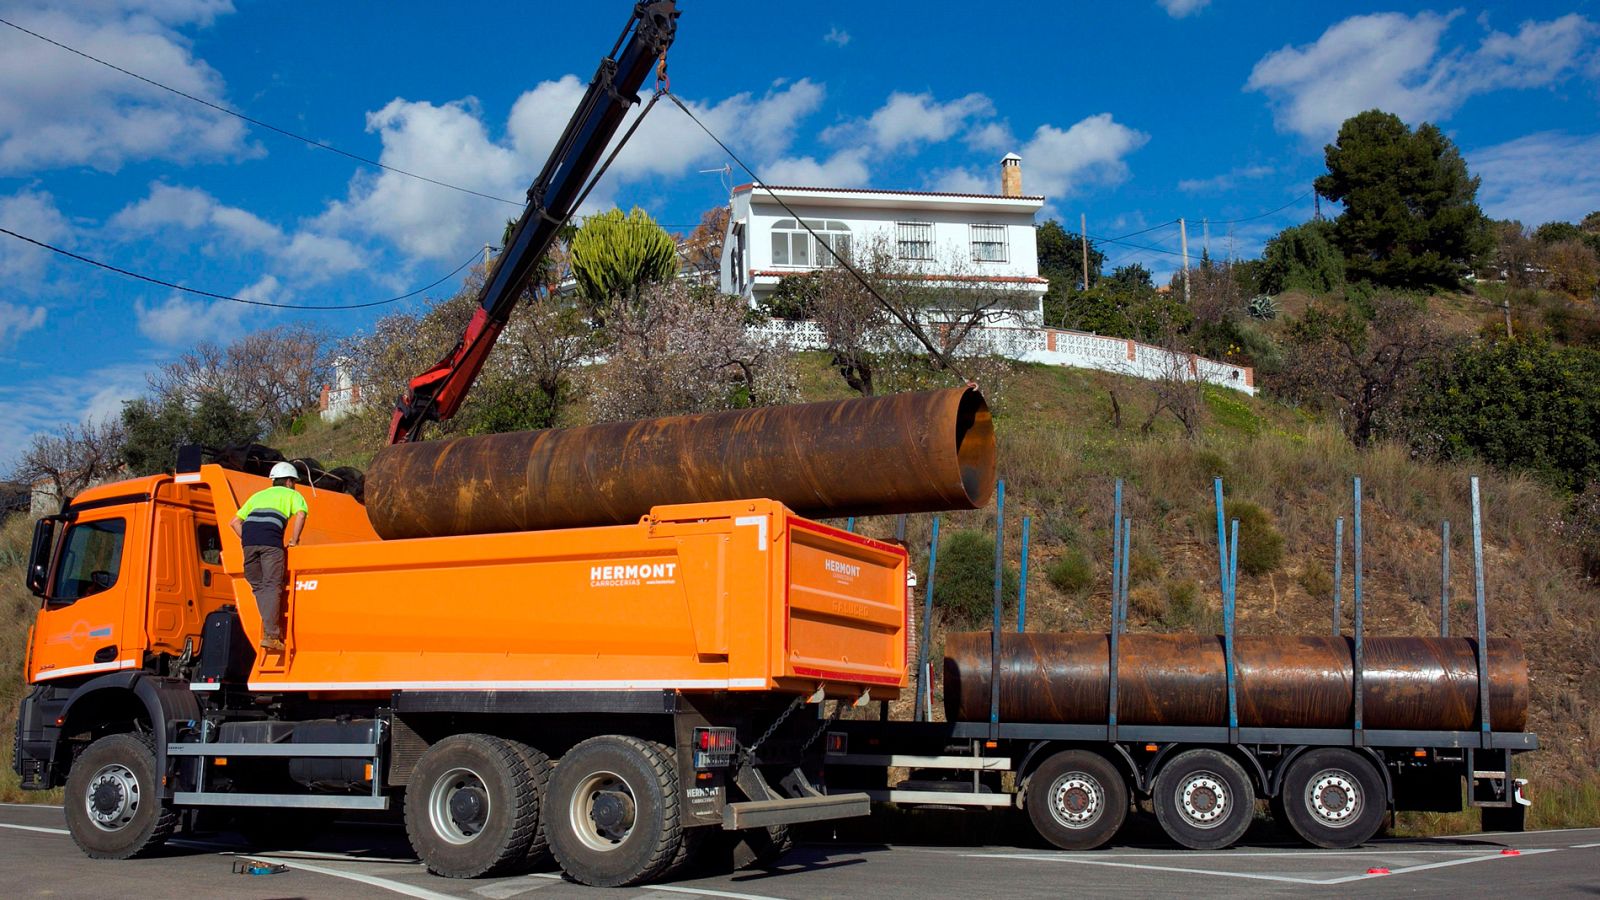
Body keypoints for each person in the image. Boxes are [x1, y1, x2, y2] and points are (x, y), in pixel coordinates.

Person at [230, 461, 307, 652]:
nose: (294, 485)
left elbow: (234, 522)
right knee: (272, 586)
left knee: (260, 588)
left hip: (248, 543)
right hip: (270, 543)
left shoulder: (258, 496)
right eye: (294, 482)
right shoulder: (292, 495)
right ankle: (272, 636)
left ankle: (268, 631)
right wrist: (294, 540)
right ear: (288, 482)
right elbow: (301, 515)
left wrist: (249, 539)